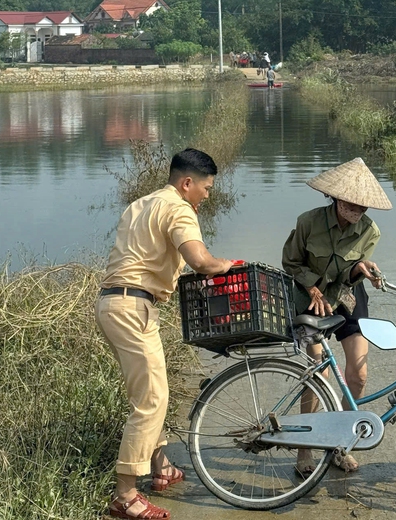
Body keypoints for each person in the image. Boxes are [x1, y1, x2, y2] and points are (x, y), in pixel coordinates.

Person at [97, 148, 234, 520]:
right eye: (205, 188)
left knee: (150, 391)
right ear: (186, 183)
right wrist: (230, 265)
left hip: (114, 304)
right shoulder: (177, 208)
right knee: (152, 399)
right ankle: (124, 495)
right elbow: (200, 260)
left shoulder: (142, 203)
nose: (207, 196)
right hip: (133, 307)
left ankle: (159, 466)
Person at [282, 157, 392, 474]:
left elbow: (351, 272)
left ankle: (338, 443)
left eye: (363, 207)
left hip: (347, 299)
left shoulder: (370, 232)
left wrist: (362, 270)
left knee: (358, 375)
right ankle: (304, 450)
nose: (357, 210)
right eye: (351, 203)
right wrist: (314, 289)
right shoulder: (308, 222)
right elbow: (291, 263)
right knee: (320, 373)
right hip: (307, 299)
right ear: (336, 197)